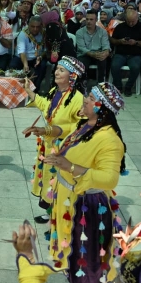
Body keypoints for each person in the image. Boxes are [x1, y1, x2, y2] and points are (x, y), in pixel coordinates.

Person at [43, 82, 127, 283]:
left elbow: (109, 179)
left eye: (90, 98)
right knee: (70, 247)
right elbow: (67, 134)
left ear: (101, 107)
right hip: (69, 199)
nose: (85, 99)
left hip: (87, 204)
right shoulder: (87, 125)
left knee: (86, 254)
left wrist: (70, 166)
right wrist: (48, 136)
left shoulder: (110, 140)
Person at [22, 57, 86, 226]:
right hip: (50, 144)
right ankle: (50, 212)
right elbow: (46, 105)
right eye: (57, 69)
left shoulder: (78, 99)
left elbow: (80, 127)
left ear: (72, 76)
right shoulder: (54, 91)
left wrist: (50, 130)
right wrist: (29, 91)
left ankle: (61, 219)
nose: (56, 72)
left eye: (61, 70)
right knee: (49, 178)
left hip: (65, 148)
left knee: (60, 181)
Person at [109, 8, 141, 96]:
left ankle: (128, 87)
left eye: (133, 21)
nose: (131, 23)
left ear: (137, 18)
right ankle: (118, 86)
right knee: (114, 66)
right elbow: (112, 40)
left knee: (135, 67)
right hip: (121, 53)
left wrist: (136, 42)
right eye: (128, 21)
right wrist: (120, 41)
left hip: (135, 54)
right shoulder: (120, 27)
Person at [12, 15, 48, 89]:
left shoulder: (43, 33)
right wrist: (25, 64)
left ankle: (35, 89)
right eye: (32, 26)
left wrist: (40, 57)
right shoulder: (23, 34)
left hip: (36, 57)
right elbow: (22, 51)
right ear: (28, 25)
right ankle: (17, 89)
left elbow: (46, 50)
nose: (35, 29)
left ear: (41, 26)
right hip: (22, 57)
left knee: (43, 66)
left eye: (38, 27)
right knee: (13, 65)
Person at [76, 10, 110, 85]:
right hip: (84, 54)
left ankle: (101, 84)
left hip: (98, 53)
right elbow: (82, 48)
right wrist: (92, 54)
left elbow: (106, 46)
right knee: (81, 64)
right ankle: (81, 84)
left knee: (103, 60)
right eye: (87, 19)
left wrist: (105, 53)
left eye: (91, 19)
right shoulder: (79, 32)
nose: (88, 21)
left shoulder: (102, 32)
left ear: (96, 20)